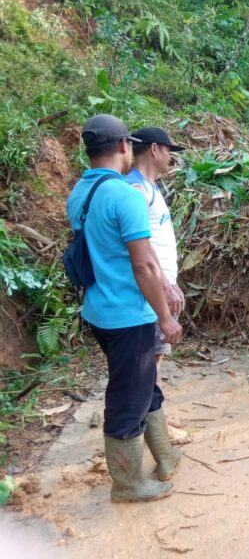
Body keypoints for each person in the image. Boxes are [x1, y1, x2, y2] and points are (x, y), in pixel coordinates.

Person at [67, 114, 182, 503]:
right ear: (122, 147)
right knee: (127, 398)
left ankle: (165, 454)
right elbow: (144, 264)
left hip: (99, 310)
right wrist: (165, 316)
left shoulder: (79, 193)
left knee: (144, 384)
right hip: (129, 315)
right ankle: (128, 484)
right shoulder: (125, 196)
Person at [126, 127, 186, 377]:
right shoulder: (136, 190)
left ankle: (152, 414)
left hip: (159, 285)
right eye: (168, 150)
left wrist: (170, 282)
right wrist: (164, 285)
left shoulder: (150, 188)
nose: (171, 157)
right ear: (154, 149)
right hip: (150, 289)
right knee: (146, 363)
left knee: (155, 360)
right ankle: (147, 415)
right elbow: (141, 245)